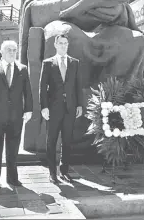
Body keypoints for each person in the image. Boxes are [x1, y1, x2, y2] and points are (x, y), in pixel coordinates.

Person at [0, 41, 33, 189]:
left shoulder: (22, 69)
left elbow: (27, 92)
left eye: (14, 50)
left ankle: (12, 178)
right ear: (2, 52)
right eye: (9, 49)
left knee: (13, 148)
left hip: (16, 117)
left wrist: (29, 110)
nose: (12, 52)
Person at [39, 34, 83, 184]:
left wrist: (79, 105)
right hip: (53, 108)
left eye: (66, 43)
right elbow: (42, 87)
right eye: (61, 43)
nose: (63, 46)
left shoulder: (74, 63)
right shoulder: (48, 63)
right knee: (51, 140)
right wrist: (44, 107)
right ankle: (52, 173)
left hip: (70, 108)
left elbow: (78, 85)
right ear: (56, 45)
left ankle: (64, 171)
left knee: (67, 141)